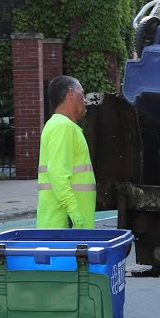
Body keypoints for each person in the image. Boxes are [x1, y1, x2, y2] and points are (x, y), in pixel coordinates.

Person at [37, 75, 96, 229]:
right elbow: (57, 174)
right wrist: (75, 215)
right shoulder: (62, 127)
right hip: (65, 228)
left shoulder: (61, 125)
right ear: (71, 93)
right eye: (81, 94)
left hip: (64, 227)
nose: (84, 99)